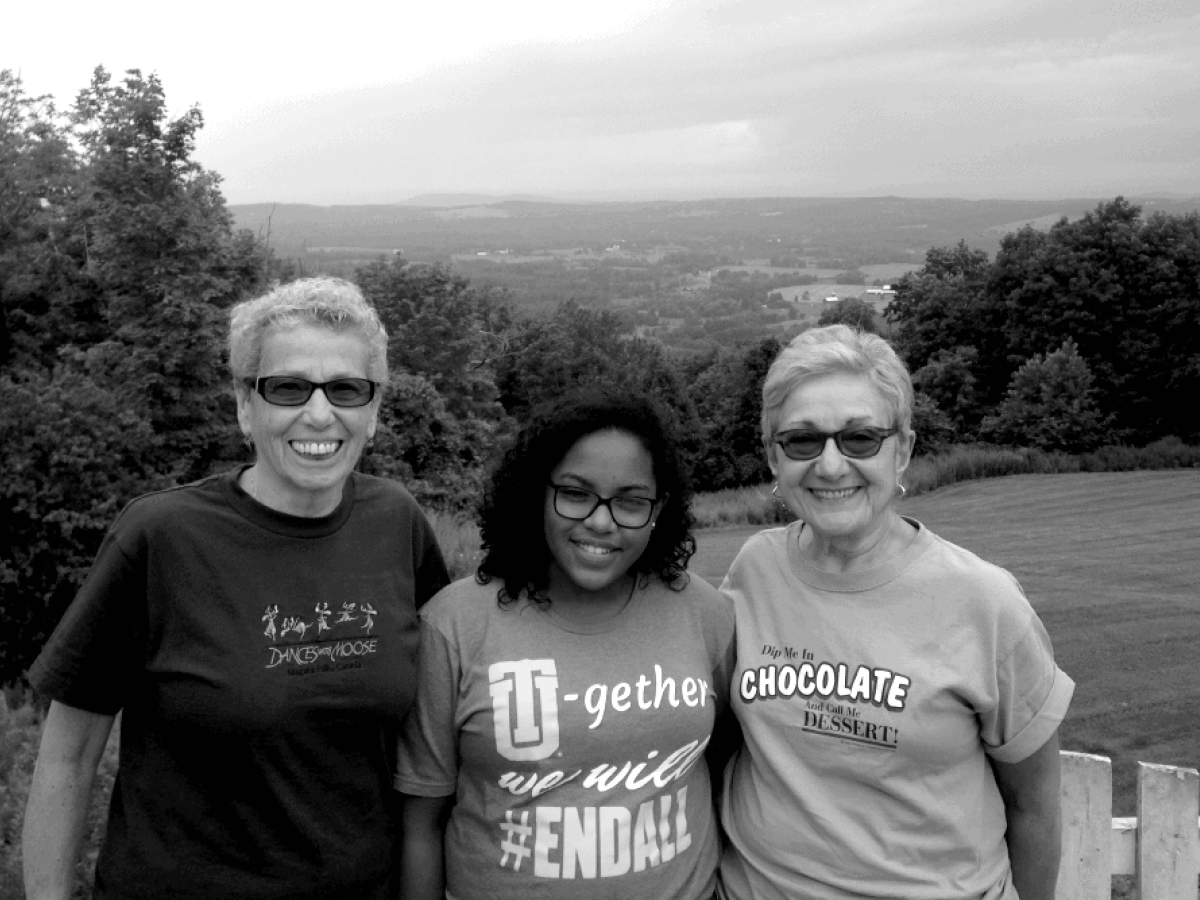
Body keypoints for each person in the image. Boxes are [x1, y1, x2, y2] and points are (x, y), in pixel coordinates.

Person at [23, 277, 450, 900]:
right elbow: (66, 757)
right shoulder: (162, 537)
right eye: (288, 387)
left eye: (347, 389)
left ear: (375, 410)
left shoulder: (397, 522)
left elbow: (437, 727)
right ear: (245, 406)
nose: (320, 413)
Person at [718, 325, 1075, 900]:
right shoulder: (754, 570)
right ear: (772, 457)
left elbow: (1033, 807)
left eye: (861, 438)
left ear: (903, 449)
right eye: (802, 441)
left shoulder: (985, 602)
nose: (831, 466)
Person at [396, 391, 735, 900]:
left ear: (658, 509)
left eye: (630, 502)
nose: (601, 522)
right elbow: (421, 823)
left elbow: (726, 759)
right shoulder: (455, 625)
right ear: (537, 493)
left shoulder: (705, 613)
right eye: (576, 494)